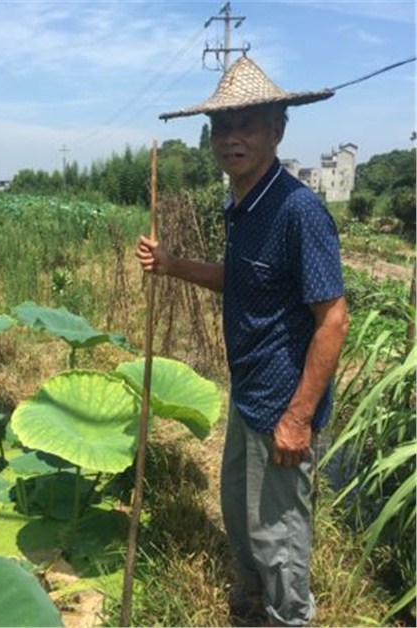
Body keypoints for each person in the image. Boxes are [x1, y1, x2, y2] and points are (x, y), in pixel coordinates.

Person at [136, 54, 349, 627]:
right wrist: (171, 263)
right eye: (221, 127)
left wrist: (299, 417)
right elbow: (241, 279)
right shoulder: (243, 203)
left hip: (282, 403)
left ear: (278, 130)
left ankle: (288, 617)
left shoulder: (298, 211)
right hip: (249, 391)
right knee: (239, 509)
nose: (231, 138)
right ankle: (252, 603)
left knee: (278, 532)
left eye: (246, 124)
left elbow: (334, 319)